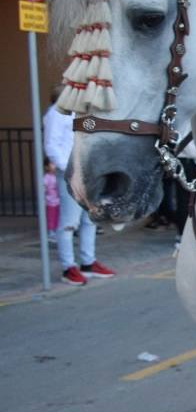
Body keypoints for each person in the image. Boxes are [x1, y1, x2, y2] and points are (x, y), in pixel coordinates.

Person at [43, 86, 115, 286]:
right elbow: (51, 145)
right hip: (70, 173)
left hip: (89, 172)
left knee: (89, 219)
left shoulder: (83, 112)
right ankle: (68, 267)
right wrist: (69, 169)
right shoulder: (56, 113)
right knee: (69, 222)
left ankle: (88, 262)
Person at [43, 157, 60, 240]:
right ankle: (51, 232)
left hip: (59, 201)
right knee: (51, 217)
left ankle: (57, 230)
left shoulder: (58, 176)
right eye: (52, 164)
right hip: (50, 202)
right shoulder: (46, 177)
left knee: (58, 217)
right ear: (46, 167)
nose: (55, 166)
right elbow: (43, 189)